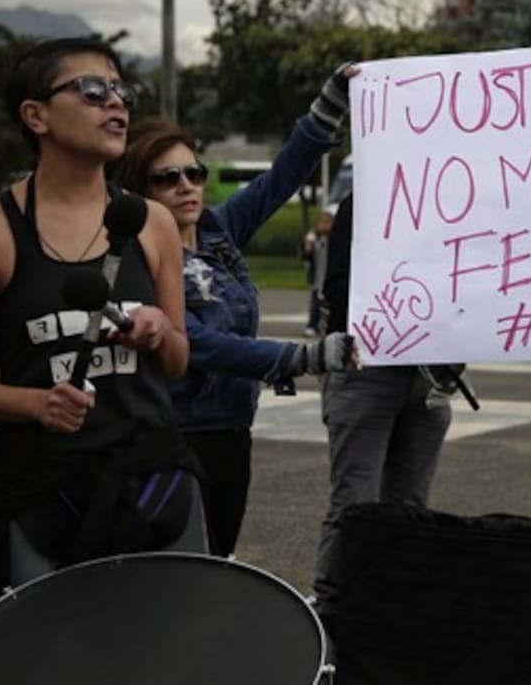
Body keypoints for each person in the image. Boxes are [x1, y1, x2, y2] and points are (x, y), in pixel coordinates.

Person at [0, 37, 193, 645]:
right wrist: (35, 404)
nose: (116, 104)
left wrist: (159, 332)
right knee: (39, 660)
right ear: (35, 115)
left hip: (155, 481)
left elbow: (178, 361)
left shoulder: (149, 222)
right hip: (42, 490)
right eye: (92, 90)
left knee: (169, 657)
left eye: (122, 90)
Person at [115, 66, 357, 557]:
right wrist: (300, 357)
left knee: (218, 561)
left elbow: (281, 178)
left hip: (231, 431)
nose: (186, 186)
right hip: (174, 437)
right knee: (174, 570)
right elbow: (197, 341)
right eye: (167, 178)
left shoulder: (217, 230)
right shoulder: (136, 256)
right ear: (139, 190)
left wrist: (328, 107)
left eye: (194, 173)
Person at [313, 190, 457, 620]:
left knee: (411, 505)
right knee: (355, 507)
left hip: (430, 375)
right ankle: (332, 615)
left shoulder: (458, 206)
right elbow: (337, 289)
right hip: (367, 371)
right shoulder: (365, 201)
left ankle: (394, 608)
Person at [303, 209, 335, 335]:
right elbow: (306, 255)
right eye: (322, 222)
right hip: (317, 278)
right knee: (315, 304)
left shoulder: (334, 240)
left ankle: (326, 326)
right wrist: (307, 246)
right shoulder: (314, 239)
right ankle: (312, 325)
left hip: (329, 278)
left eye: (328, 222)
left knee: (329, 305)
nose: (325, 225)